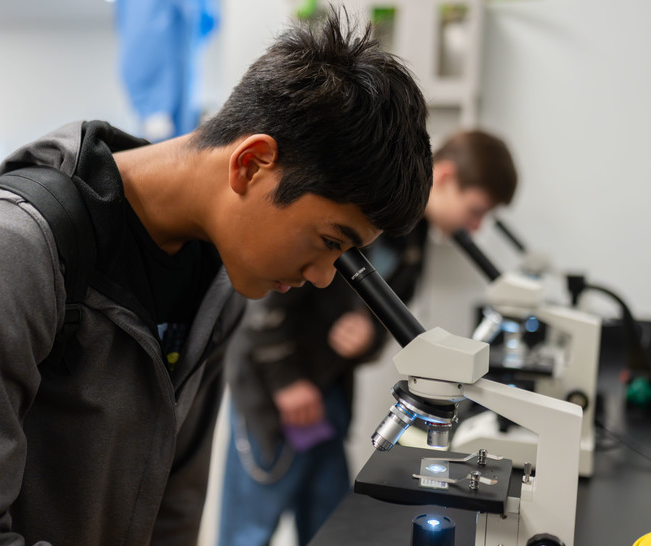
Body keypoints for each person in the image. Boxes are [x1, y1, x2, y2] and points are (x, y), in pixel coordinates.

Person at [0, 10, 432, 546]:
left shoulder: (221, 288)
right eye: (329, 243)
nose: (322, 278)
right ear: (250, 164)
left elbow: (171, 507)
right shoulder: (8, 251)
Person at [219, 129, 517, 546]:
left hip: (330, 389)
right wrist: (286, 381)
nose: (475, 226)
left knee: (329, 524)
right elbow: (268, 297)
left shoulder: (413, 241)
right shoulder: (361, 205)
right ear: (445, 177)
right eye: (474, 210)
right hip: (275, 393)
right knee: (250, 530)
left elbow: (386, 322)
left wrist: (366, 338)